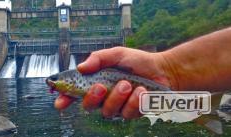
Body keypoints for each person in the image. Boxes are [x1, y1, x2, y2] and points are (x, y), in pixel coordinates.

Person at [54, 27, 231, 119]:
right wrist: (167, 69)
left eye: (55, 80)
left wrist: (169, 69)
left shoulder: (76, 78)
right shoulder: (72, 85)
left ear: (70, 80)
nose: (53, 82)